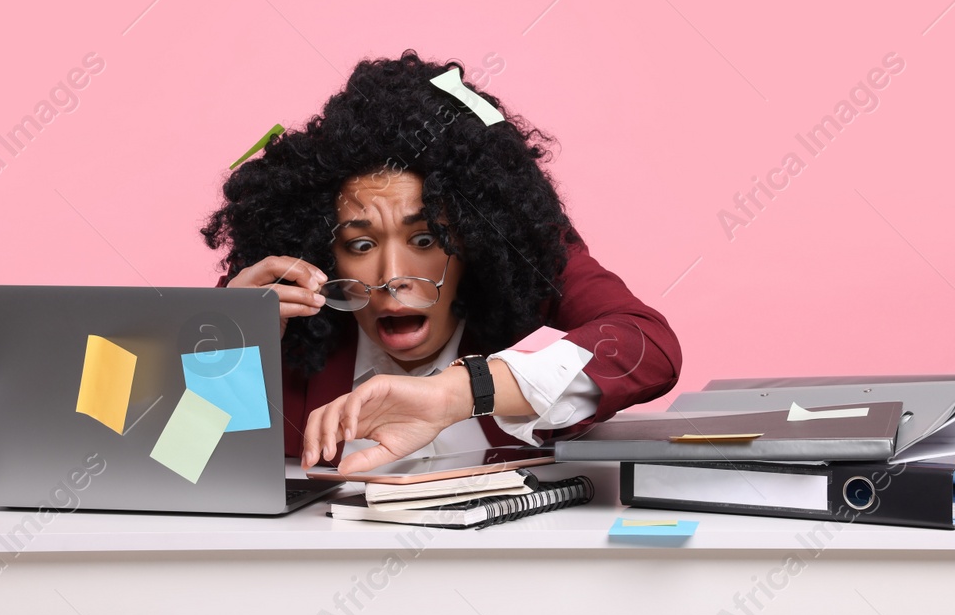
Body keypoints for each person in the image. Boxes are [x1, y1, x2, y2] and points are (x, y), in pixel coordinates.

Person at [202, 50, 681, 473]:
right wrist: (224, 361)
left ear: (475, 239)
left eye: (426, 238)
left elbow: (648, 346)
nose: (392, 276)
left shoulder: (529, 260)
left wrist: (459, 393)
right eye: (361, 245)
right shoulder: (275, 317)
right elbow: (178, 465)